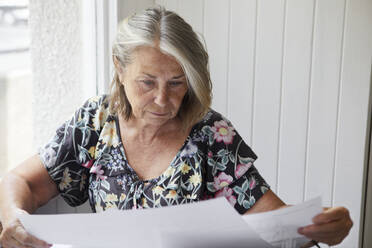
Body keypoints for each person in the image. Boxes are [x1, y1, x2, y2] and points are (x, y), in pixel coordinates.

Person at [0, 6, 352, 248]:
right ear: (119, 69)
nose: (163, 101)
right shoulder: (95, 123)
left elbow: (279, 226)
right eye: (147, 82)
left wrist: (321, 230)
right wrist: (15, 220)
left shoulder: (211, 135)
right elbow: (19, 181)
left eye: (177, 83)